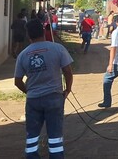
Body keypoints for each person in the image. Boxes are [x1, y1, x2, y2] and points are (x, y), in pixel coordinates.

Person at [14, 19, 73, 158]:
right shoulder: (57, 48)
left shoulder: (23, 55)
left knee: (32, 136)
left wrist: (28, 91)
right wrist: (67, 89)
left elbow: (17, 81)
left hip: (33, 100)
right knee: (55, 136)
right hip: (54, 97)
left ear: (28, 35)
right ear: (43, 32)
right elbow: (68, 72)